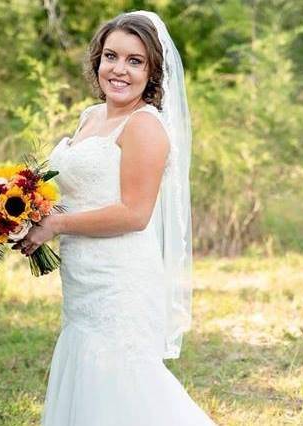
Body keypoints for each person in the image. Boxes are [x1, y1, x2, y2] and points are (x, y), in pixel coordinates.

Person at [16, 10, 217, 426]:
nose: (119, 69)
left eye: (134, 61)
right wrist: (23, 213)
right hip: (83, 281)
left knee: (125, 384)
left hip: (120, 279)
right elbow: (82, 191)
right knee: (89, 379)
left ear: (152, 71)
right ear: (97, 61)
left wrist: (56, 225)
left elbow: (134, 213)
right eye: (111, 56)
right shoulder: (91, 116)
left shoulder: (145, 126)